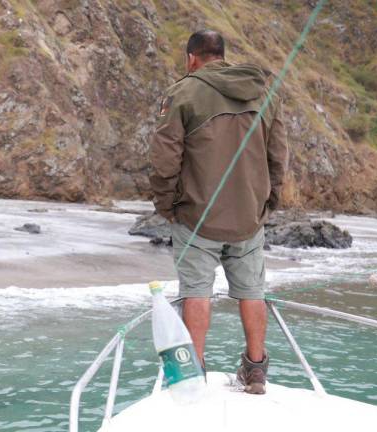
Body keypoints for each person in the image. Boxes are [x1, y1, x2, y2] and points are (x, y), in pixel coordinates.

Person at [149, 30, 288, 394]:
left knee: (197, 291)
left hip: (196, 216)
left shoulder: (182, 93)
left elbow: (165, 158)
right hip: (248, 217)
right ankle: (256, 371)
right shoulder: (264, 92)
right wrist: (268, 203)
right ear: (222, 56)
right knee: (252, 292)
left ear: (192, 58)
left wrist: (166, 205)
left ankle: (194, 372)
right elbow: (278, 155)